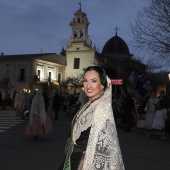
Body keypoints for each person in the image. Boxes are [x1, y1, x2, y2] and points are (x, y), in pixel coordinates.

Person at [59, 66, 125, 170]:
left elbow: (103, 149)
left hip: (84, 162)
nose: (88, 85)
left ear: (102, 85)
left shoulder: (101, 110)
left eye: (94, 81)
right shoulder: (90, 104)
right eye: (85, 81)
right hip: (73, 158)